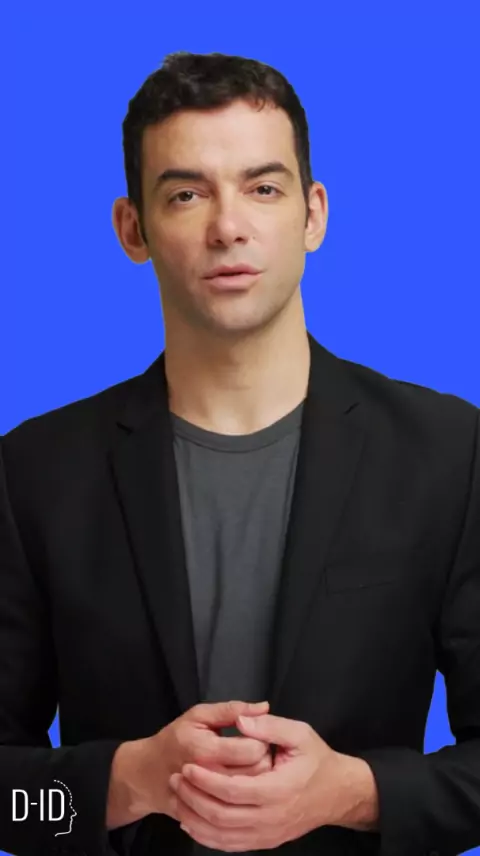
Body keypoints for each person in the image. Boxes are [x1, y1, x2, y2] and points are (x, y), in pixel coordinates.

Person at [0, 50, 479, 856]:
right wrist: (123, 784)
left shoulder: (450, 455)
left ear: (313, 214)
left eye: (263, 187)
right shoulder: (32, 475)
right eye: (186, 194)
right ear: (132, 229)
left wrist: (356, 795)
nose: (228, 227)